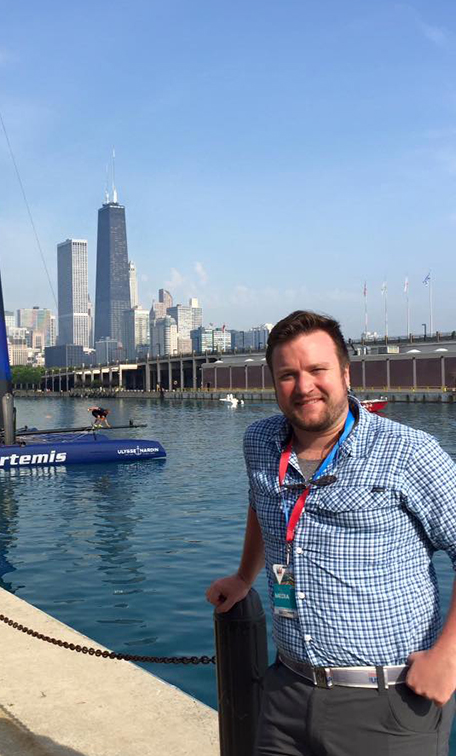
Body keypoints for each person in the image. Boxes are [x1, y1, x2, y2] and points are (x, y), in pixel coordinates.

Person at [206, 310, 456, 755]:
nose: (304, 387)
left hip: (387, 703)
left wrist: (448, 655)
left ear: (344, 372)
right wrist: (244, 577)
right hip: (286, 690)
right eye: (287, 375)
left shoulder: (408, 452)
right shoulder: (260, 443)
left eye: (317, 370)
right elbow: (263, 502)